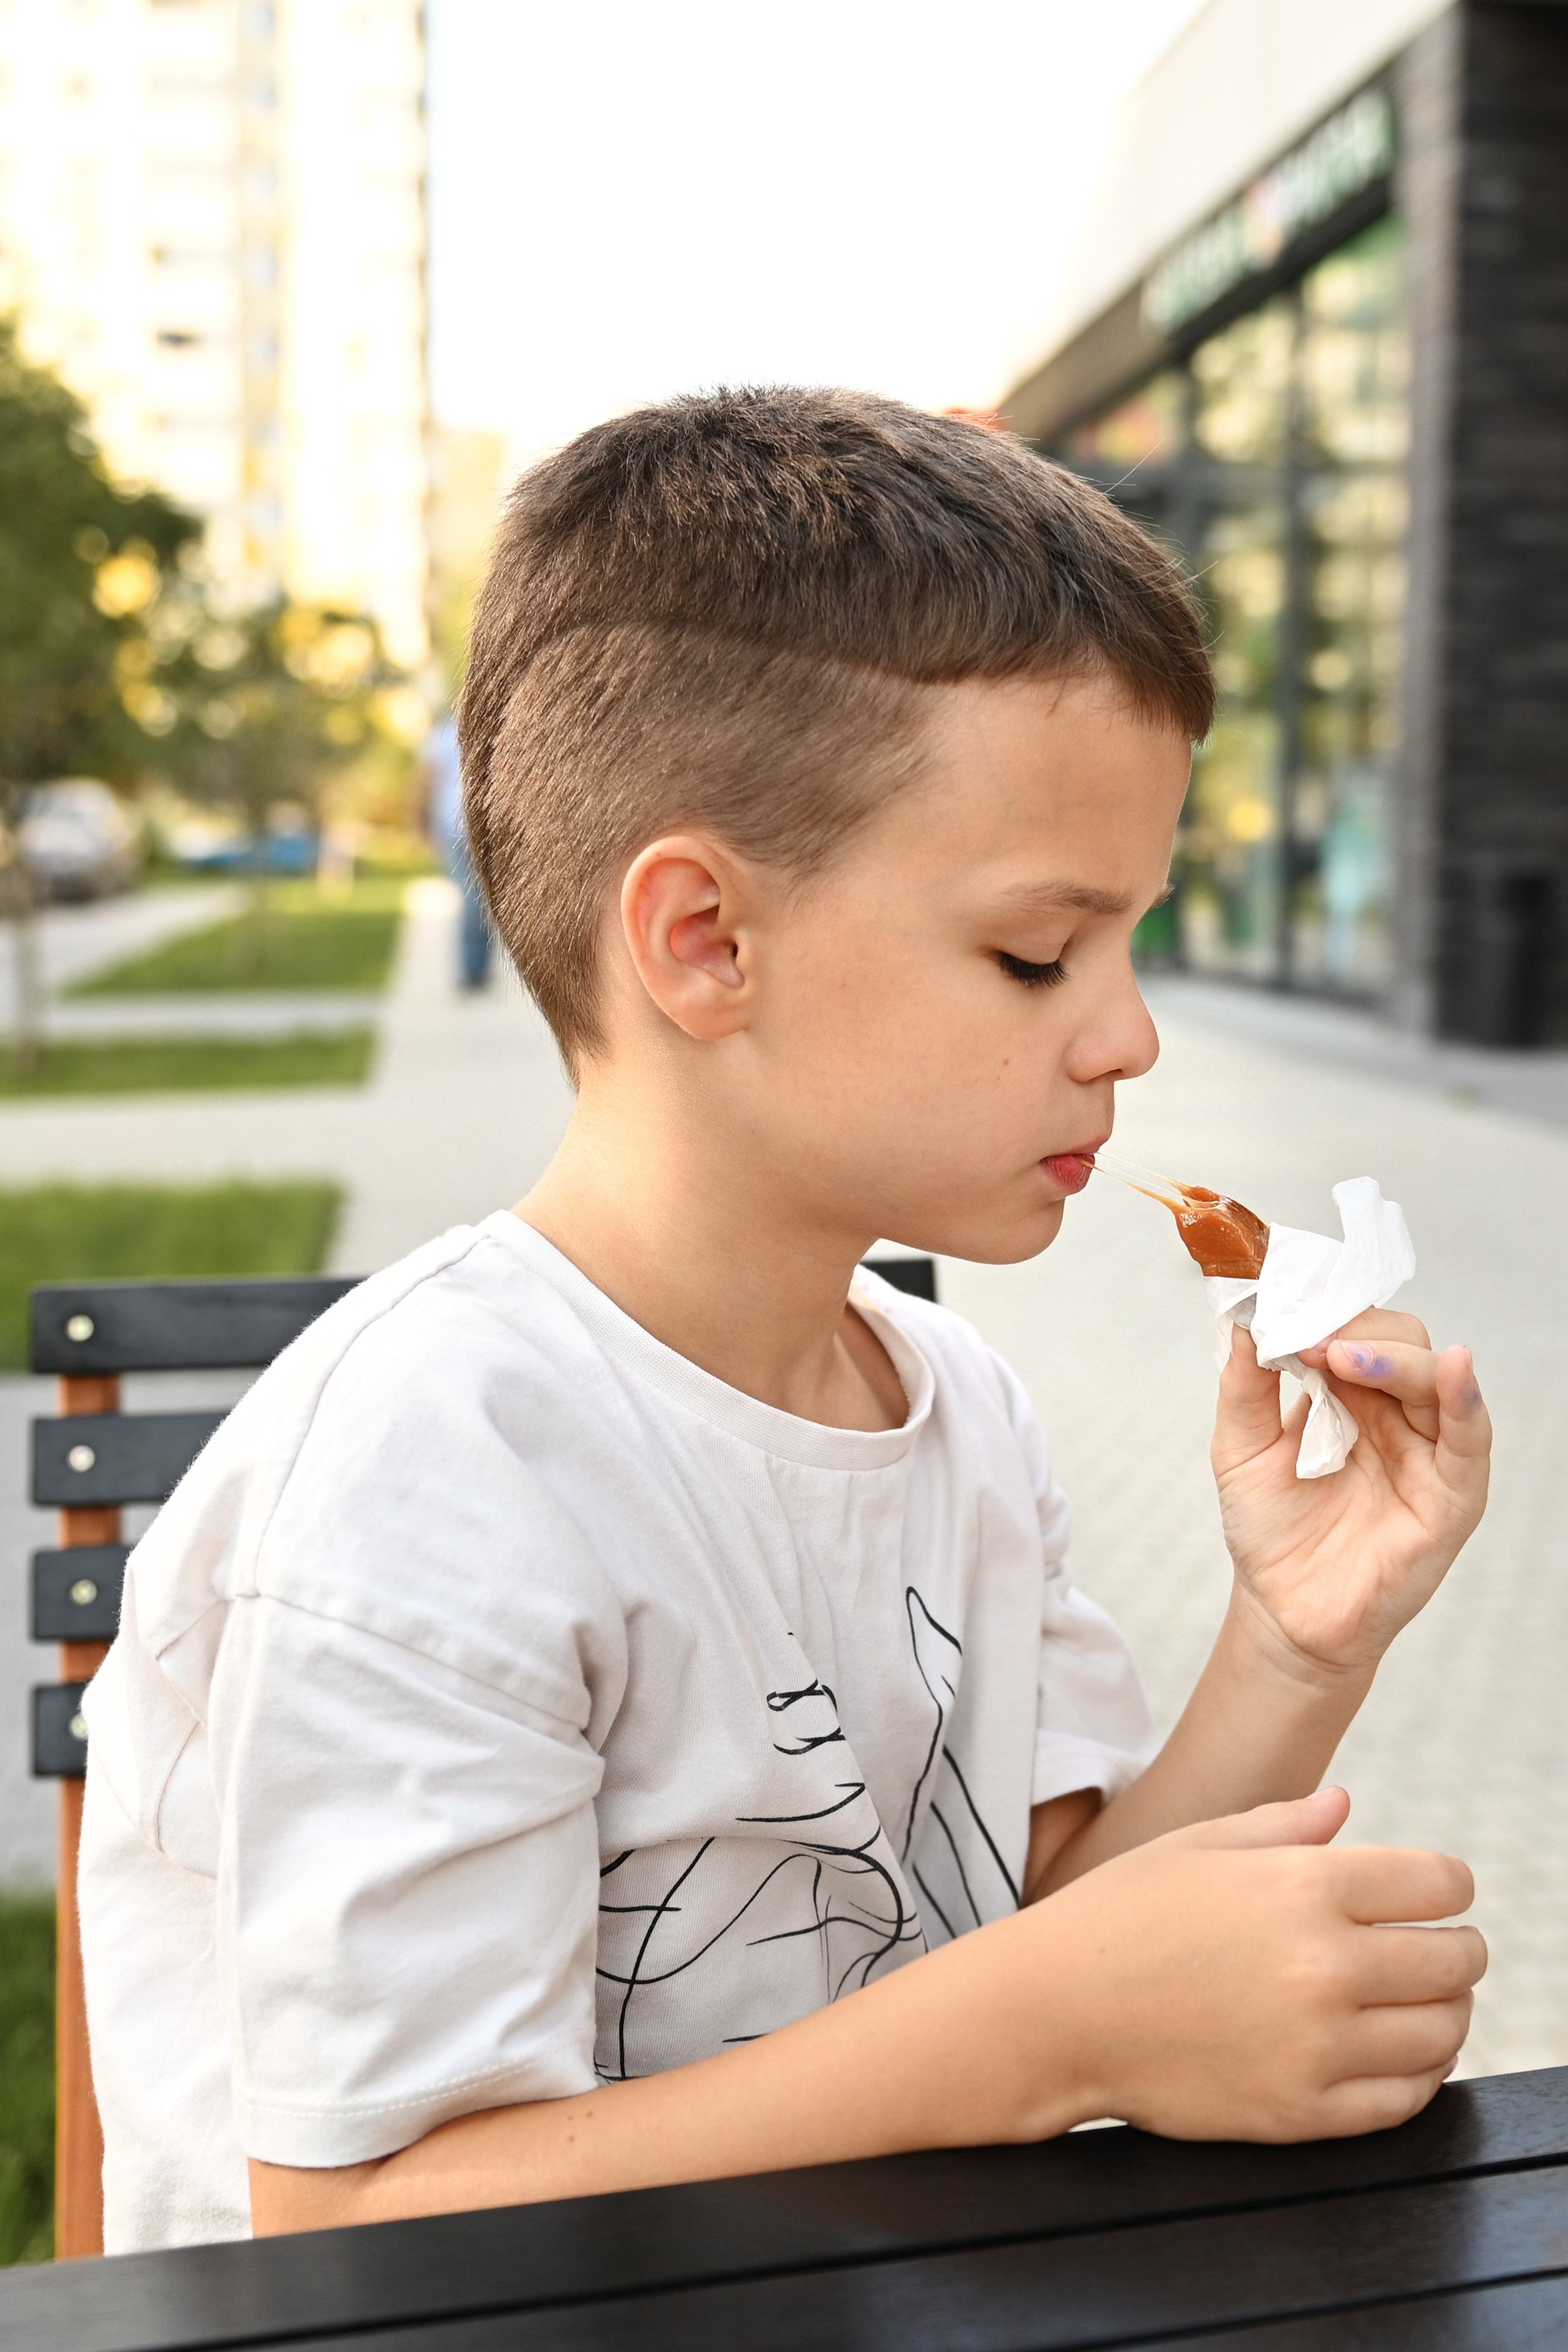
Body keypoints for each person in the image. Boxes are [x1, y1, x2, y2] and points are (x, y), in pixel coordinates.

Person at [79, 390, 1491, 2255]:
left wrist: (1299, 1645)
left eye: (1138, 938)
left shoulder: (951, 1405)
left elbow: (1062, 1919)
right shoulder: (433, 1480)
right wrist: (1050, 2031)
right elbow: (357, 2211)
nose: (1127, 1035)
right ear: (703, 943)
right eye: (1033, 952)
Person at [423, 709, 493, 989]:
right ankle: (472, 970)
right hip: (453, 830)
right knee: (471, 901)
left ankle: (480, 969)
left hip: (484, 829)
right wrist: (423, 823)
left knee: (484, 901)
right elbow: (426, 781)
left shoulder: (486, 729)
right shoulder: (442, 735)